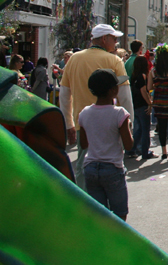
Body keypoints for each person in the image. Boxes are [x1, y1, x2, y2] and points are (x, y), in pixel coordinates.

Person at [60, 24, 131, 189]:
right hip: (112, 124)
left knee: (83, 165)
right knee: (113, 165)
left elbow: (64, 95)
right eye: (114, 39)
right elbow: (125, 96)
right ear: (104, 39)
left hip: (83, 124)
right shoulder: (113, 60)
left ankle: (86, 205)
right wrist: (129, 124)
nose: (116, 43)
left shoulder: (74, 59)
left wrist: (69, 124)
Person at [78, 69, 134, 220]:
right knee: (120, 213)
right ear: (113, 90)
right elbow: (128, 145)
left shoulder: (84, 113)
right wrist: (128, 127)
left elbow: (83, 144)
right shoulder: (119, 113)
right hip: (112, 168)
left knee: (100, 214)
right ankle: (117, 241)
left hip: (90, 167)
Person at [128, 56, 155, 160]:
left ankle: (131, 149)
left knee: (138, 130)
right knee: (145, 130)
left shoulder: (134, 76)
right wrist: (149, 103)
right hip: (142, 104)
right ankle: (145, 152)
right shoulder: (143, 76)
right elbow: (143, 91)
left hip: (135, 104)